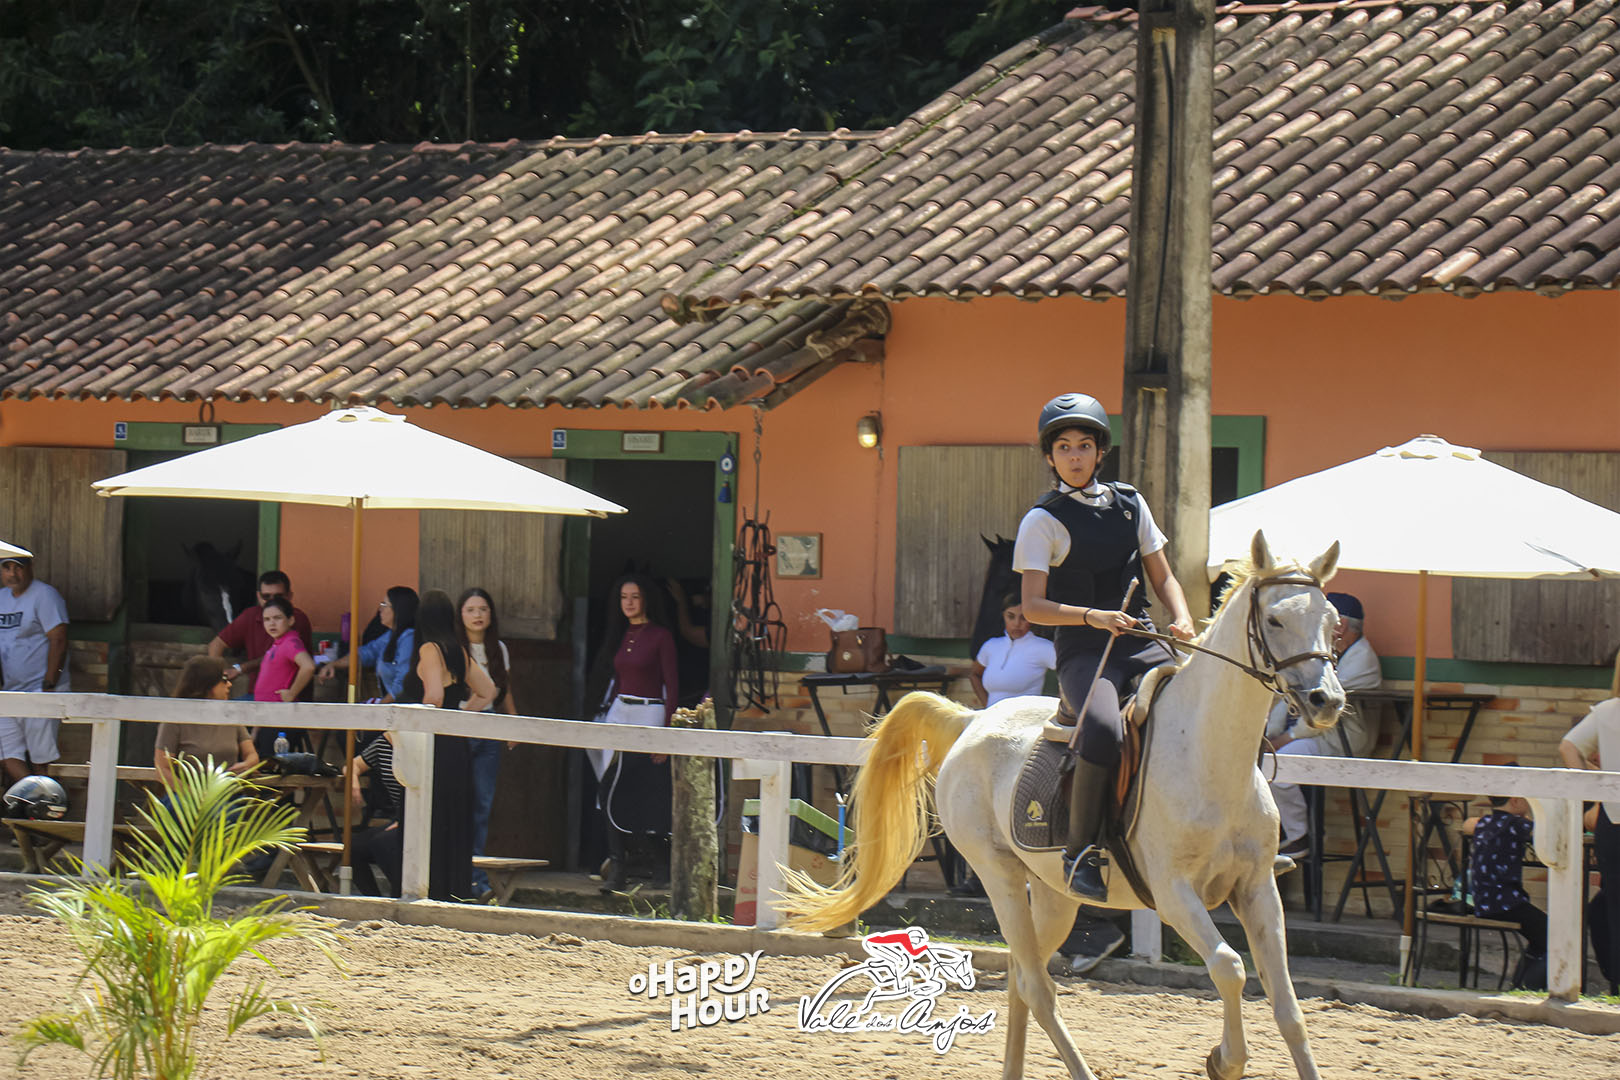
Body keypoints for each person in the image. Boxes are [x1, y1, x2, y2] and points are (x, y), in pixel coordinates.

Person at [1013, 392, 1195, 901]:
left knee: (1207, 708)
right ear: (1050, 457)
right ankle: (1080, 853)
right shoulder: (1041, 520)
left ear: (1099, 453)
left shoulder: (1132, 503)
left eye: (1084, 446)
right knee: (1101, 729)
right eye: (1064, 448)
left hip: (1141, 639)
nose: (1075, 456)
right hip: (1085, 650)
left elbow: (1164, 576)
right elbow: (1032, 606)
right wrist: (1092, 616)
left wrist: (1181, 617)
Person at [1267, 592, 1382, 857]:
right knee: (1263, 760)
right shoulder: (1330, 654)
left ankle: (1300, 836)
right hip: (1321, 736)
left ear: (1341, 625)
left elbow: (1322, 710)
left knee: (1278, 765)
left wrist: (1284, 739)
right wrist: (1270, 733)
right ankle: (1279, 832)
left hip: (1344, 741)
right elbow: (1293, 695)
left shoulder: (1361, 659)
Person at [399, 589, 496, 902]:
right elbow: (488, 691)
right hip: (457, 745)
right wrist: (460, 718)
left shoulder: (429, 649)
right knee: (454, 816)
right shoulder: (458, 650)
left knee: (430, 815)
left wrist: (423, 722)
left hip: (433, 744)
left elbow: (434, 697)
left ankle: (431, 888)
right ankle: (455, 890)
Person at [584, 574, 678, 892]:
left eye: (635, 596)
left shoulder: (661, 636)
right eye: (624, 597)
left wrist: (666, 735)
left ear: (646, 599)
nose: (629, 603)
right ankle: (618, 868)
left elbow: (672, 686)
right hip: (619, 710)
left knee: (645, 789)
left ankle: (659, 866)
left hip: (649, 711)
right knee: (609, 787)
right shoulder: (621, 634)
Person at [1559, 653, 1620, 996]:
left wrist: (1591, 785)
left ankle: (1616, 985)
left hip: (1614, 818)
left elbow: (1568, 746)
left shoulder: (1608, 712)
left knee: (1613, 904)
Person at [457, 587, 517, 901]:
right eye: (471, 610)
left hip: (490, 727)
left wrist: (513, 723)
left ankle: (476, 879)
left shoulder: (499, 649)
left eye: (483, 609)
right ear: (460, 615)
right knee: (459, 802)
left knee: (482, 805)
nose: (477, 615)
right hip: (462, 726)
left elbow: (504, 690)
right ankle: (456, 874)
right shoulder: (456, 648)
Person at [1462, 792, 1547, 988]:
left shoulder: (1485, 823)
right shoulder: (1517, 825)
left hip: (1483, 901)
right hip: (1507, 902)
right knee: (1553, 934)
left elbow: (1467, 824)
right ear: (1515, 801)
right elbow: (1545, 831)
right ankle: (1528, 986)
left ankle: (1521, 984)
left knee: (1539, 934)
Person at [0, 555, 70, 785]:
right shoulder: (1, 598)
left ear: (30, 568)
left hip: (40, 689)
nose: (12, 574)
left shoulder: (45, 595)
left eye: (18, 568)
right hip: (9, 691)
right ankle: (37, 796)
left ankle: (48, 799)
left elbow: (59, 639)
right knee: (6, 753)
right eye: (7, 567)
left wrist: (49, 684)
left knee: (41, 757)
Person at [154, 655, 259, 787]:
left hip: (227, 792)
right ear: (207, 684)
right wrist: (190, 793)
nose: (229, 684)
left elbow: (251, 754)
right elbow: (162, 769)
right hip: (185, 794)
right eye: (224, 680)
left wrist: (247, 764)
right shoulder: (174, 719)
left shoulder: (230, 715)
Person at [207, 570, 314, 689]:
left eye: (278, 597)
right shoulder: (250, 616)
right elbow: (216, 644)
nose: (272, 601)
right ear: (258, 596)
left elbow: (276, 655)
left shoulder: (298, 619)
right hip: (257, 693)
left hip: (287, 695)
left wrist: (240, 668)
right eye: (266, 596)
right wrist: (218, 678)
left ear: (289, 596)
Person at [319, 586, 418, 702]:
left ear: (398, 609)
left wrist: (380, 707)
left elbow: (402, 684)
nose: (380, 609)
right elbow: (365, 653)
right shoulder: (391, 635)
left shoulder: (408, 639)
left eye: (384, 605)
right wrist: (333, 664)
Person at [970, 592, 1057, 708]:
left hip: (1025, 718)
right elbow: (974, 674)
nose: (1017, 624)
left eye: (1023, 618)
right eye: (1011, 617)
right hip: (992, 717)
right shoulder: (991, 646)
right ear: (1003, 616)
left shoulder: (1043, 647)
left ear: (1031, 619)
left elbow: (1069, 673)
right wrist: (987, 706)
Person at [348, 731, 406, 897]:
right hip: (399, 817)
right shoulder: (384, 742)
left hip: (422, 817)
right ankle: (374, 900)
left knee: (383, 843)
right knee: (353, 848)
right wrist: (353, 781)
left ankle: (401, 896)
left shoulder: (421, 743)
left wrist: (405, 820)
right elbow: (354, 765)